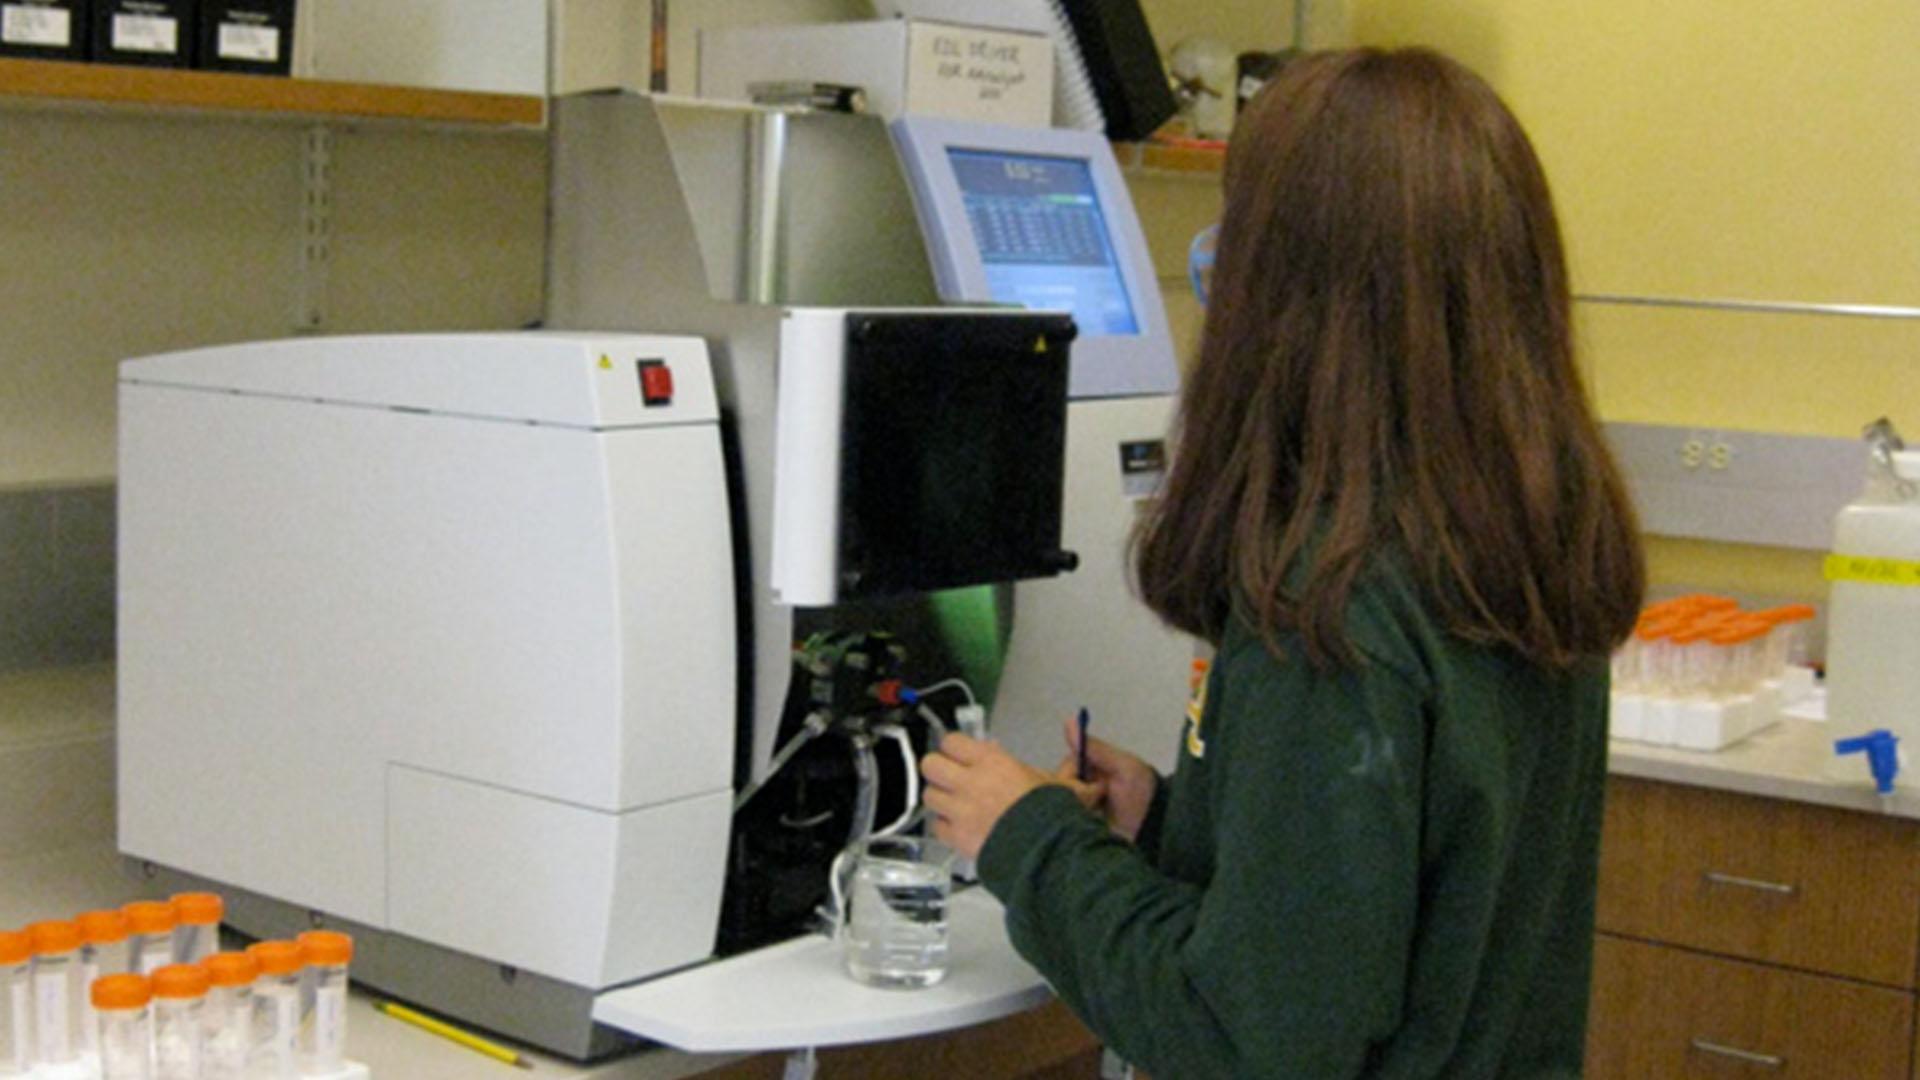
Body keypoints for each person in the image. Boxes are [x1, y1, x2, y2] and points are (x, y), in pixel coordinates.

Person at [920, 46, 1645, 1079]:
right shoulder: (1518, 551)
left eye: (1238, 236)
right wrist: (1186, 822)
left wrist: (1027, 838)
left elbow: (1247, 1041)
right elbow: (1401, 912)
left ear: (1292, 294)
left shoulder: (1328, 613)